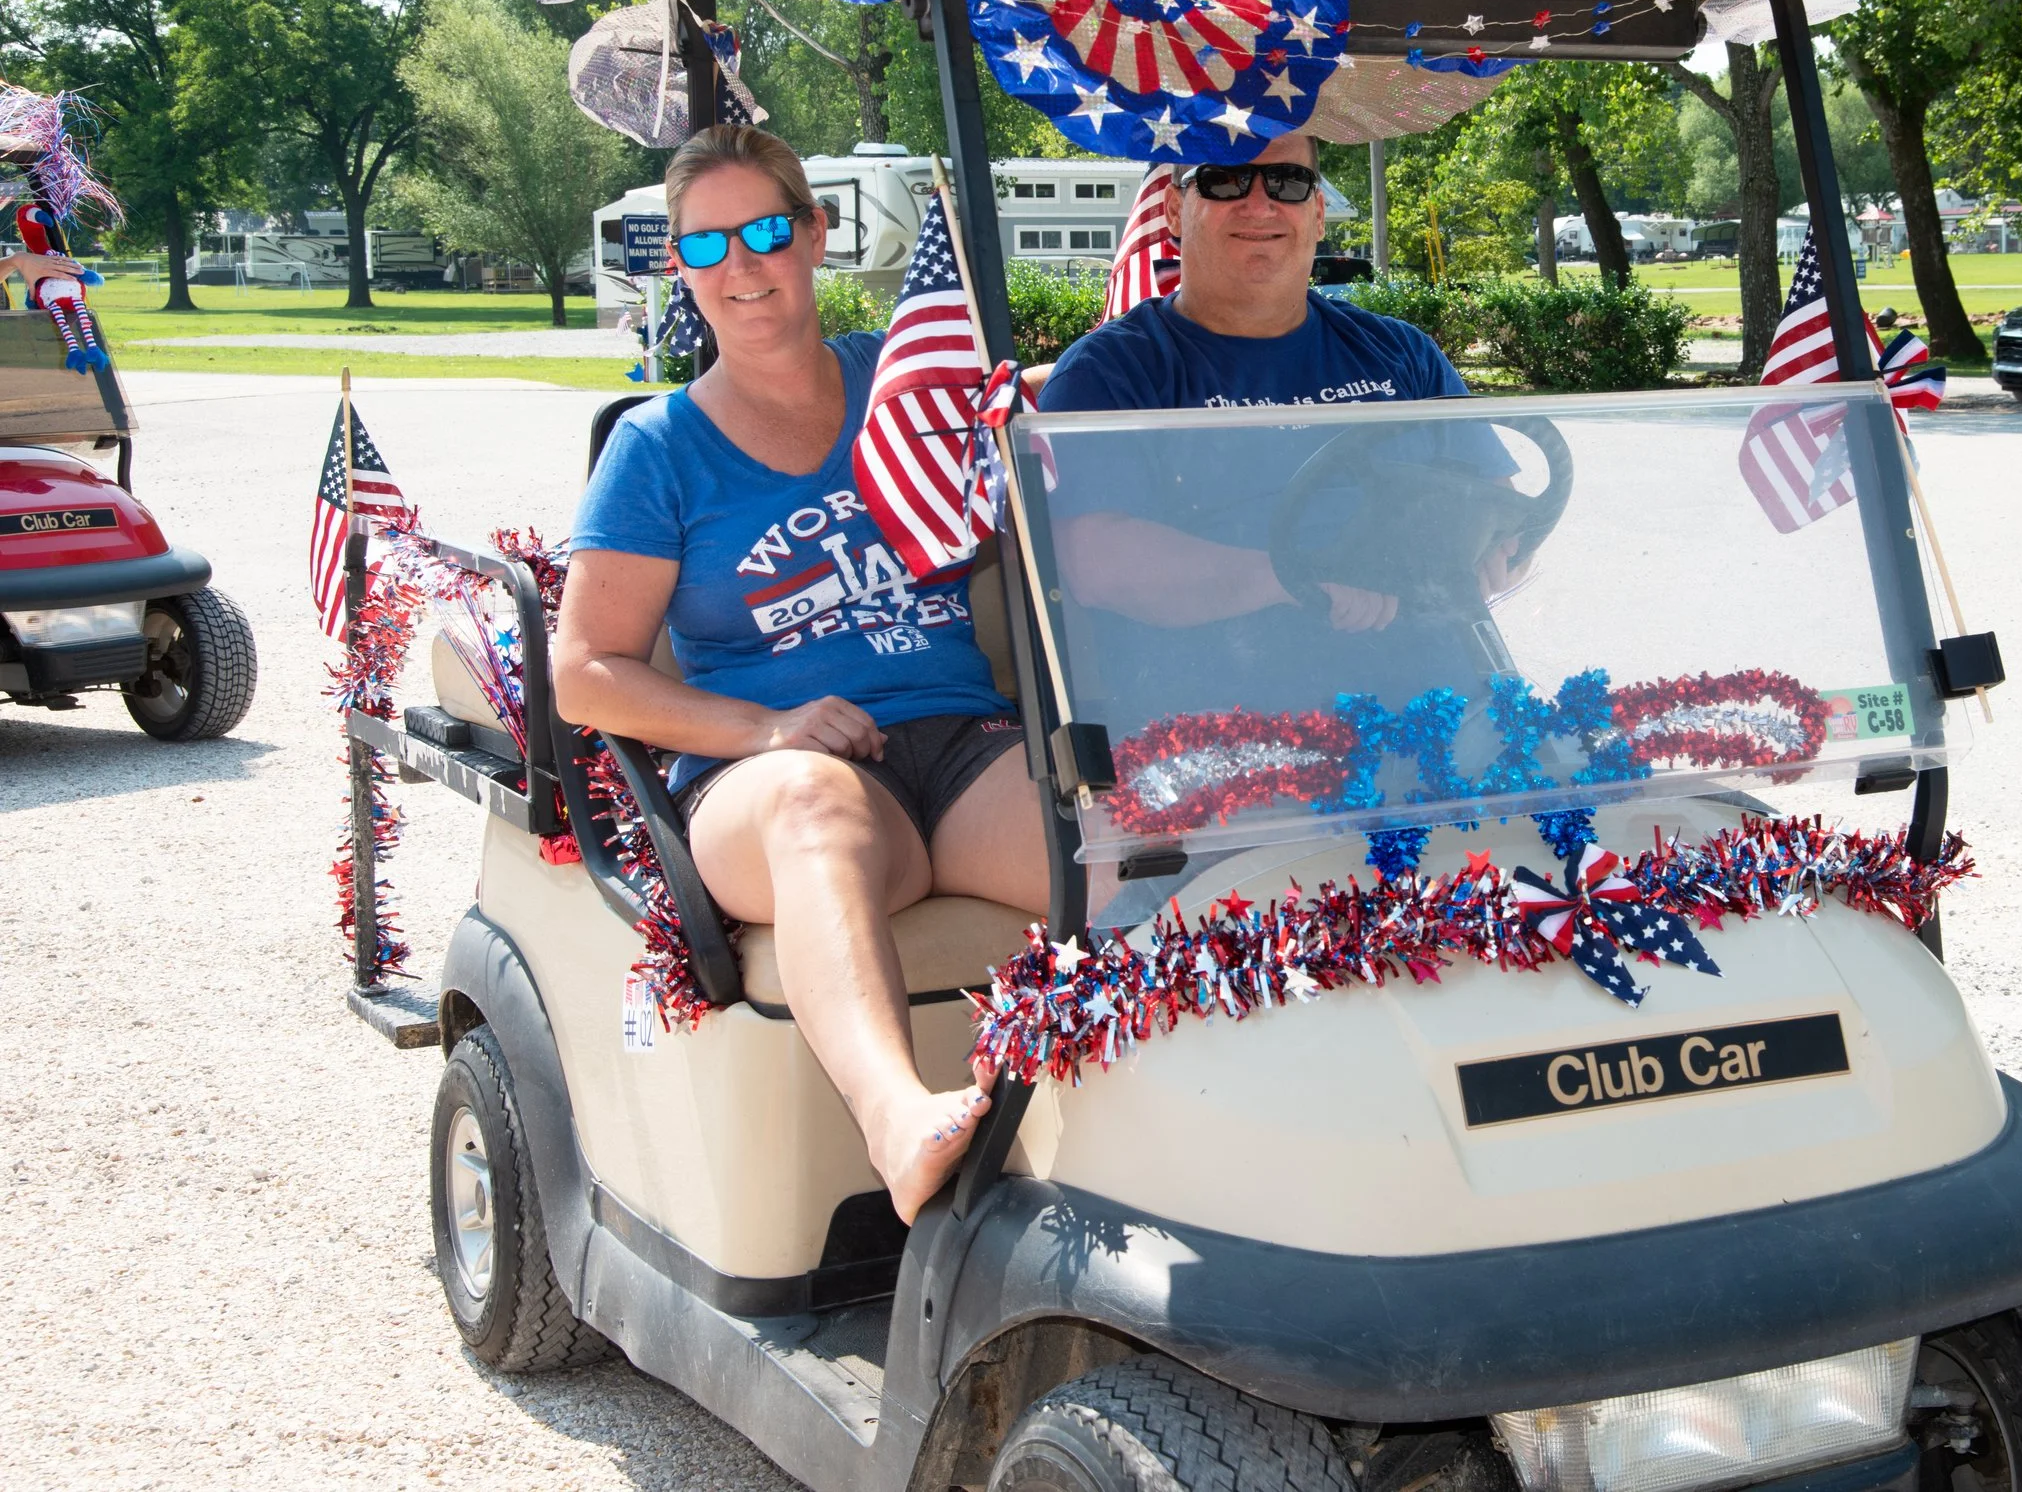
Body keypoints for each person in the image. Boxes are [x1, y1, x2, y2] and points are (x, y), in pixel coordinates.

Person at [553, 125, 1043, 1225]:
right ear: (676, 266)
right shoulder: (660, 447)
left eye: (766, 230)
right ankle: (897, 1122)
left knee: (1120, 824)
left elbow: (1040, 460)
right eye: (705, 244)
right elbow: (585, 672)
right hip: (773, 779)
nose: (741, 265)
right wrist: (768, 729)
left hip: (958, 749)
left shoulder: (907, 379)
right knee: (816, 802)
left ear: (816, 235)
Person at [1035, 133, 1530, 720]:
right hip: (1225, 723)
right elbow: (1096, 565)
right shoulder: (1110, 375)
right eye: (1226, 179)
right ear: (1173, 209)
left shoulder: (1401, 354)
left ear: (1317, 213)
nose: (1260, 204)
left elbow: (1505, 512)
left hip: (1447, 701)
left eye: (1288, 184)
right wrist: (1298, 577)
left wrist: (1494, 545)